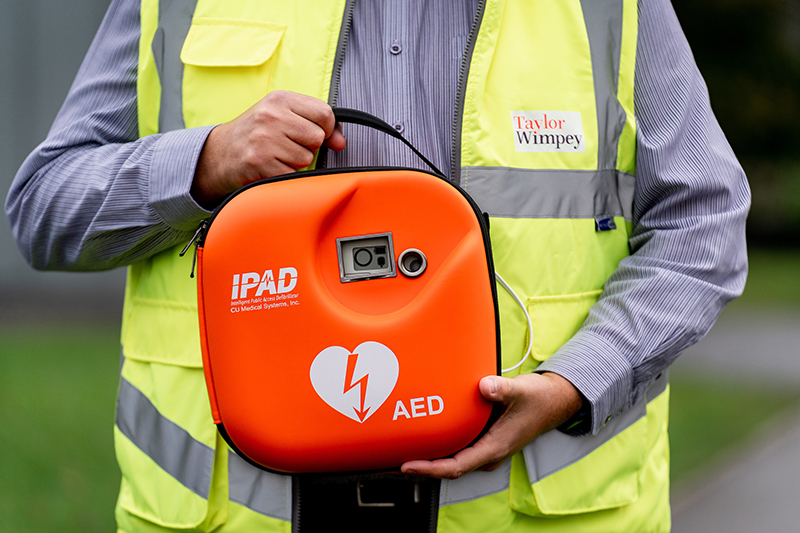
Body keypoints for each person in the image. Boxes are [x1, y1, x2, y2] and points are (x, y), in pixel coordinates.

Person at [5, 0, 749, 531]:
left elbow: (702, 222)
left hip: (524, 510)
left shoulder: (611, 7)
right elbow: (44, 208)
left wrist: (577, 379)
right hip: (239, 508)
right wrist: (204, 162)